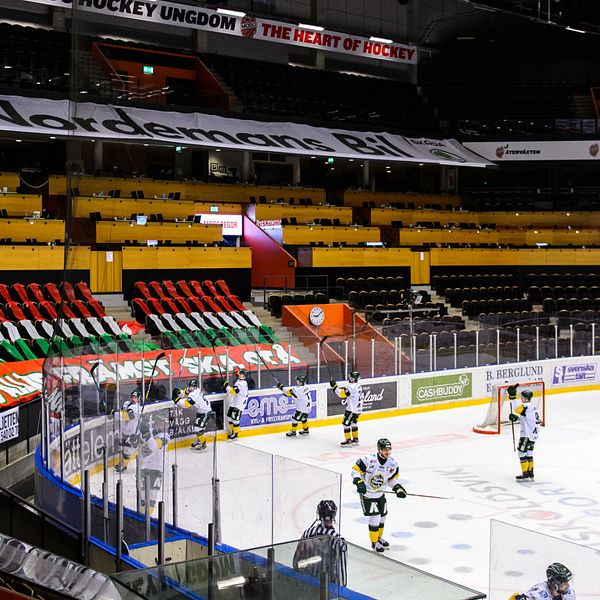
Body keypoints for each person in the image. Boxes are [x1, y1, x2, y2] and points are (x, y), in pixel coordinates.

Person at [351, 438, 406, 552]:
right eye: (385, 450)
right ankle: (374, 542)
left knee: (382, 517)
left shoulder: (392, 464)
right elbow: (355, 470)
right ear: (379, 449)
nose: (387, 452)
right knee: (375, 518)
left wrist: (398, 488)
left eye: (389, 449)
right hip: (368, 495)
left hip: (380, 494)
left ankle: (379, 537)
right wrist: (359, 481)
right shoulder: (369, 460)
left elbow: (391, 480)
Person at [293, 500, 348, 587]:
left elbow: (296, 562)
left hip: (307, 583)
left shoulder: (307, 533)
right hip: (327, 586)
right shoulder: (339, 541)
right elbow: (341, 575)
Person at [138, 412, 170, 516]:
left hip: (156, 470)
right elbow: (141, 446)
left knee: (151, 497)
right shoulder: (151, 432)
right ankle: (142, 518)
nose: (164, 426)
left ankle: (148, 519)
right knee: (143, 497)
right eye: (162, 424)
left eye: (166, 424)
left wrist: (145, 433)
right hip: (144, 467)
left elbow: (153, 445)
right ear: (156, 423)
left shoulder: (165, 436)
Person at [508, 384, 541, 481]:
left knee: (521, 453)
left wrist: (513, 397)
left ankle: (525, 474)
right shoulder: (532, 407)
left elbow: (517, 409)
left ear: (526, 398)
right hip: (533, 434)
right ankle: (531, 473)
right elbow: (526, 420)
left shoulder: (526, 406)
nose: (520, 398)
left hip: (527, 435)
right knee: (529, 452)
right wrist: (516, 418)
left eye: (521, 397)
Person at [172, 379, 212, 451]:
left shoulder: (194, 395)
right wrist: (178, 391)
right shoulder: (195, 389)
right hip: (201, 410)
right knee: (199, 427)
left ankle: (203, 443)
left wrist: (176, 399)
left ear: (195, 387)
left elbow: (186, 405)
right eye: (189, 386)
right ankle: (199, 439)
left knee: (198, 428)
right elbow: (185, 392)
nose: (190, 388)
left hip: (205, 412)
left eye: (191, 387)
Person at [330, 370, 363, 446]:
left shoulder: (350, 386)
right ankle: (355, 439)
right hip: (358, 409)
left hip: (352, 409)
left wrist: (334, 386)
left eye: (351, 377)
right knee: (353, 423)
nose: (349, 378)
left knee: (346, 424)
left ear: (353, 378)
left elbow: (341, 394)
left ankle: (348, 441)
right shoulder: (358, 385)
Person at [509, 562, 575, 599]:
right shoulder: (540, 595)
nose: (568, 585)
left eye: (567, 582)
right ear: (554, 584)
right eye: (563, 583)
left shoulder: (569, 593)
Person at [115, 389, 142, 472]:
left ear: (138, 399)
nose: (133, 399)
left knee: (127, 449)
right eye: (132, 397)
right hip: (124, 430)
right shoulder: (126, 403)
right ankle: (121, 462)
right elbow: (121, 412)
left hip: (132, 432)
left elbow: (127, 416)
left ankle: (124, 466)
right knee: (121, 447)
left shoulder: (136, 408)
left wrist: (114, 413)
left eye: (135, 398)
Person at [223, 367, 249, 440]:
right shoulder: (239, 381)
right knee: (229, 417)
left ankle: (236, 434)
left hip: (239, 404)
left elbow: (234, 391)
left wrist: (227, 387)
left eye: (240, 373)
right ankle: (233, 432)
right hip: (234, 402)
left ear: (244, 376)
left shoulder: (243, 383)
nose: (239, 374)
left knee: (235, 419)